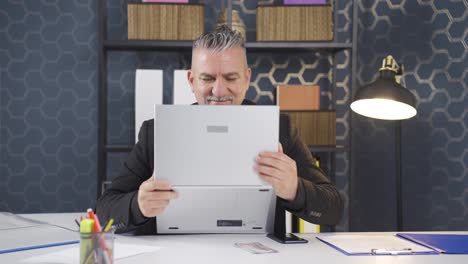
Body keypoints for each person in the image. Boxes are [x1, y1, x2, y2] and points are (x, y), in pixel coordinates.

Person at [96, 25, 343, 235]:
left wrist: (295, 188)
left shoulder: (280, 128)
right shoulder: (155, 131)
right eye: (208, 78)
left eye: (230, 78)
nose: (219, 91)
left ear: (247, 79)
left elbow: (333, 209)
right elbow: (105, 208)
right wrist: (138, 205)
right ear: (192, 81)